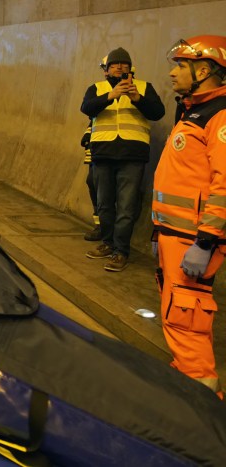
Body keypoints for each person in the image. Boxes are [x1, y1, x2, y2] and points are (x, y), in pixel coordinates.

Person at [151, 35, 226, 393]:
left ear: (205, 69)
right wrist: (159, 234)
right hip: (175, 237)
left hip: (194, 240)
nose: (172, 72)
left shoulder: (220, 115)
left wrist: (206, 241)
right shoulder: (194, 111)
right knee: (176, 317)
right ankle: (186, 382)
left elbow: (224, 185)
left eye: (180, 65)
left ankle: (203, 401)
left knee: (188, 319)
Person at [81, 46, 165, 271]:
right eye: (115, 65)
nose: (119, 67)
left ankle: (121, 251)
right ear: (106, 70)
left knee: (127, 206)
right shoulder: (96, 89)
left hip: (132, 155)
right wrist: (111, 95)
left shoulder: (143, 88)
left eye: (124, 65)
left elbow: (158, 112)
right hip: (103, 153)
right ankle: (107, 243)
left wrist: (137, 99)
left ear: (131, 69)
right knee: (104, 204)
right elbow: (86, 108)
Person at [81, 55, 111, 241]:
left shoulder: (132, 90)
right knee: (92, 182)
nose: (106, 72)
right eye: (105, 68)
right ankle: (99, 223)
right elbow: (93, 115)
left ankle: (106, 228)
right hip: (98, 145)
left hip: (116, 148)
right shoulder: (99, 89)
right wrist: (87, 133)